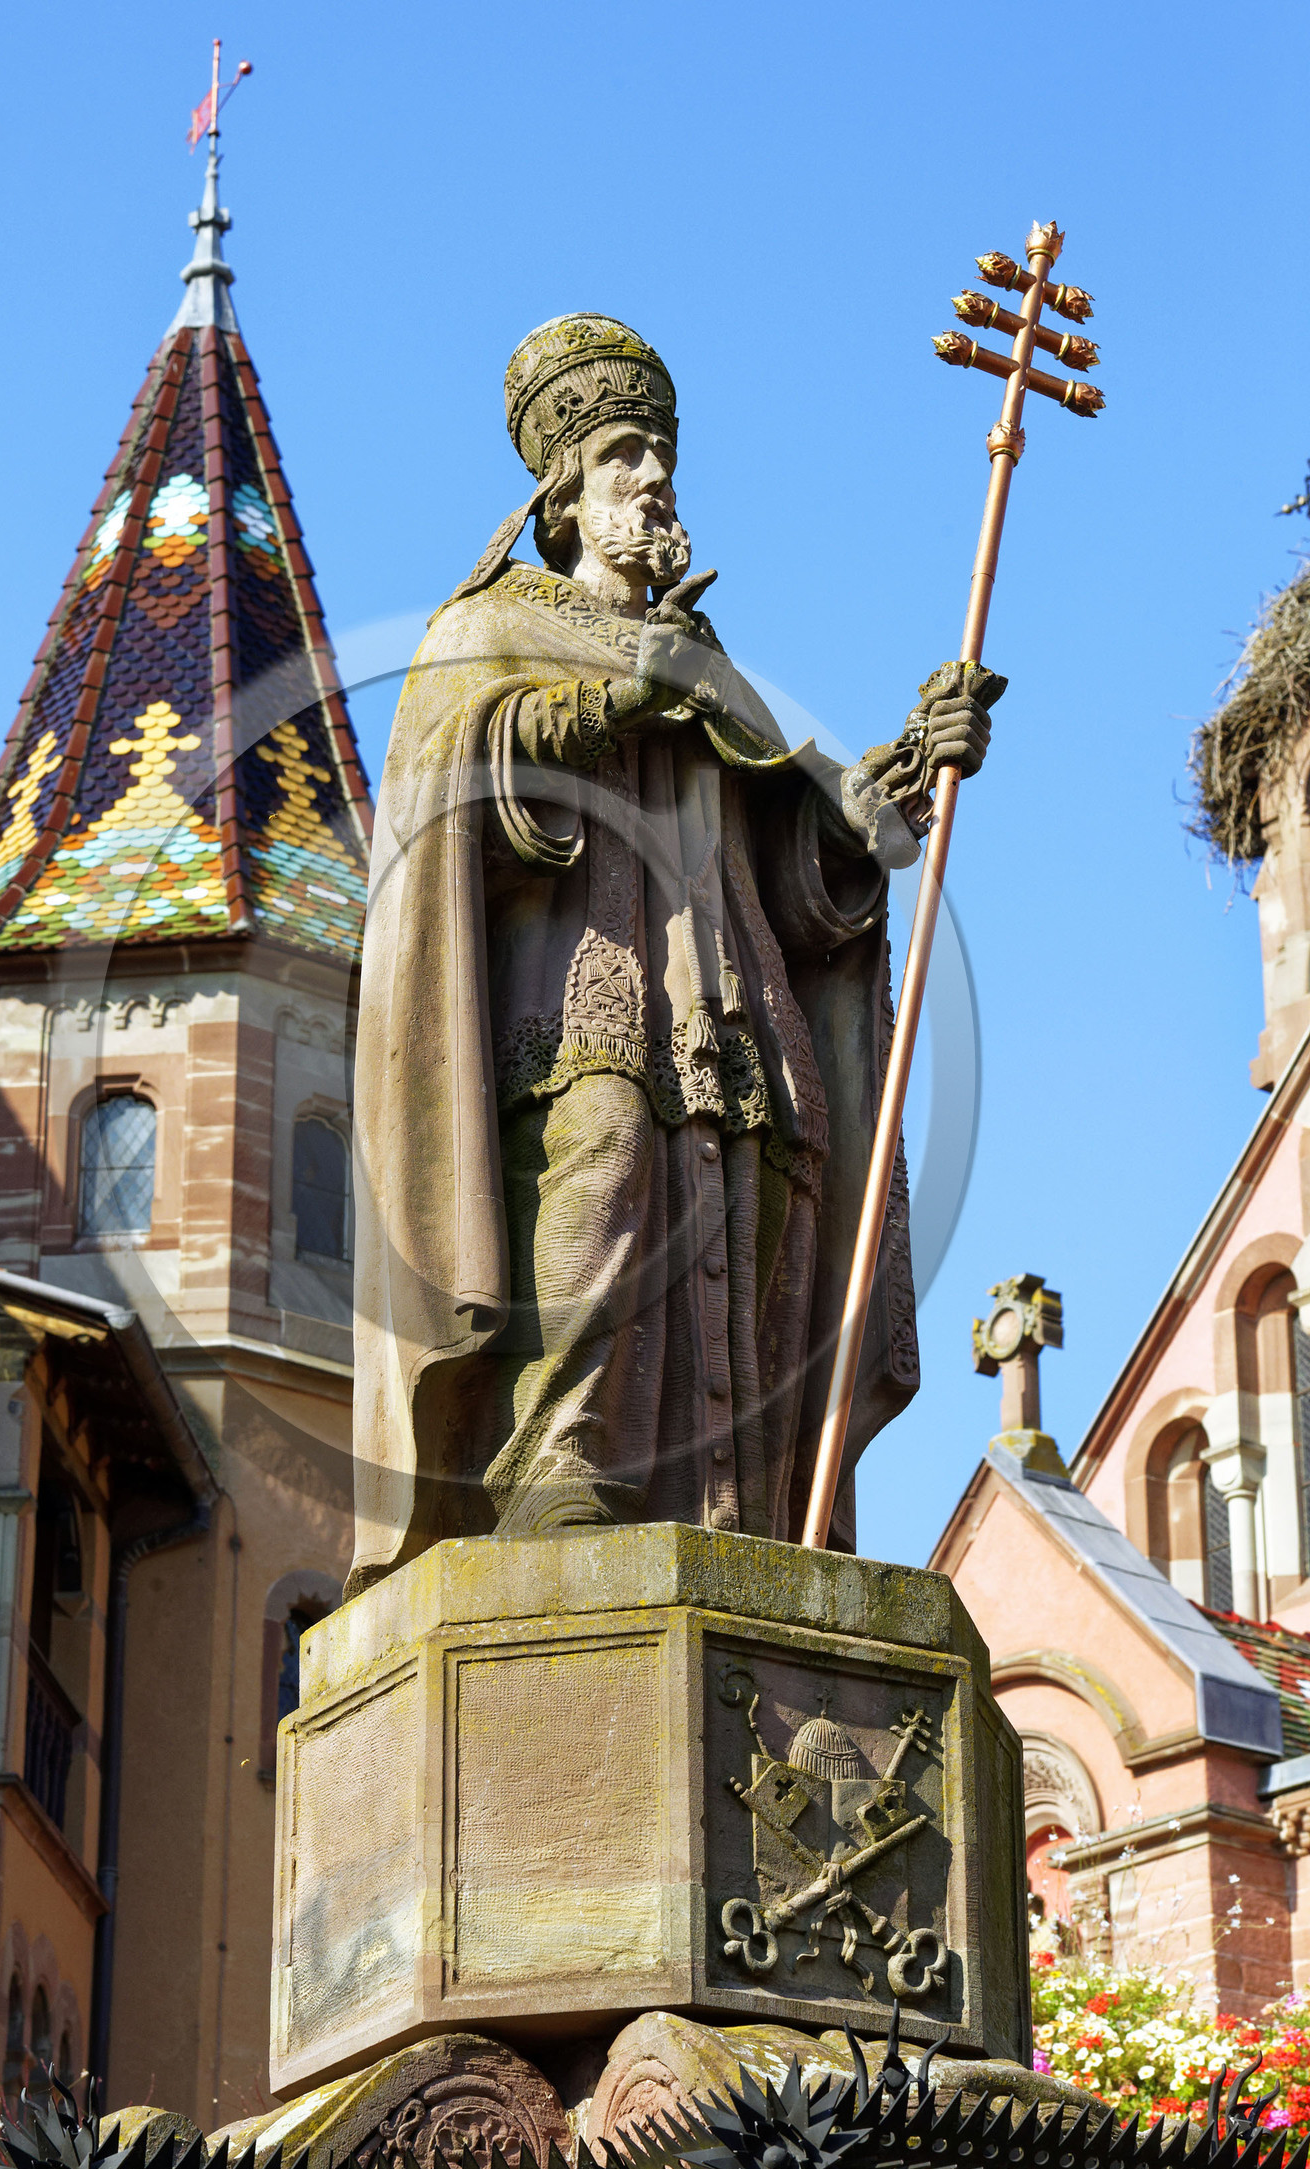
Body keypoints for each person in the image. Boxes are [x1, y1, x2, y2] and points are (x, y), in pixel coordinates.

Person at [349, 314, 991, 1594]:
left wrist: (900, 775)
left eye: (662, 460)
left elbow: (808, 882)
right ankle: (559, 1474)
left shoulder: (710, 665)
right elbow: (454, 797)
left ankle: (733, 1504)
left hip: (735, 1003)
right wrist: (623, 694)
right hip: (576, 989)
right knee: (599, 1170)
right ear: (563, 497)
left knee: (749, 1211)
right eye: (625, 458)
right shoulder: (487, 630)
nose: (654, 481)